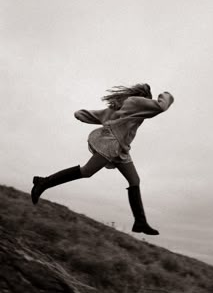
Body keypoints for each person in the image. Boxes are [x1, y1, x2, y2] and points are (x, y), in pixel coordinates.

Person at [31, 83, 174, 235]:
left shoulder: (122, 107)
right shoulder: (136, 102)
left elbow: (100, 115)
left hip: (121, 149)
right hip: (111, 143)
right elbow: (161, 106)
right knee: (86, 171)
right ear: (145, 97)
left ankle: (140, 222)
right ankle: (43, 182)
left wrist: (81, 114)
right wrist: (167, 94)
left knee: (134, 181)